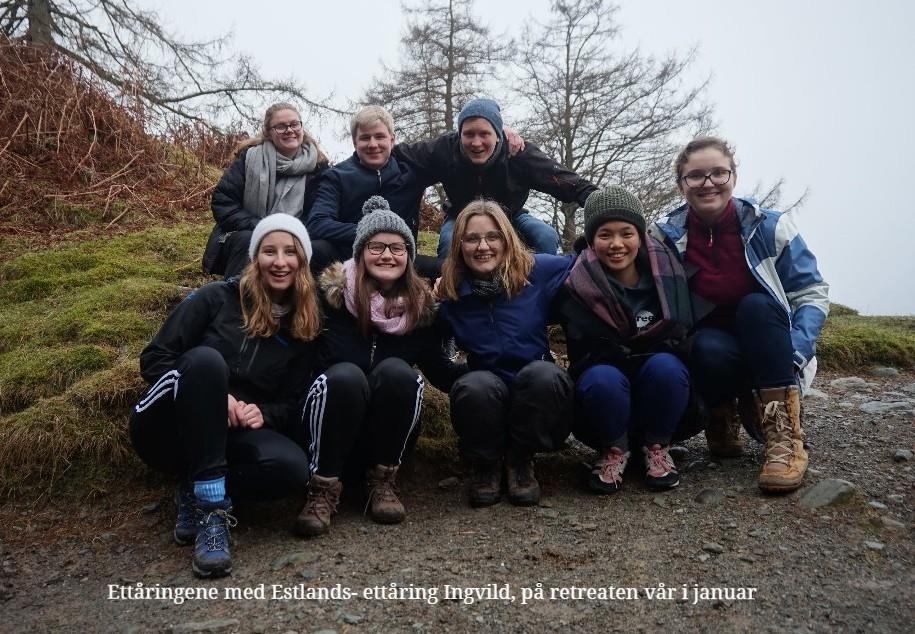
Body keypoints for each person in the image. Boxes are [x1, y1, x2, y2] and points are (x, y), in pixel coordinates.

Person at [131, 215, 321, 578]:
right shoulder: (215, 297)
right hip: (168, 426)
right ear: (255, 257)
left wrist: (261, 413)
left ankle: (196, 487)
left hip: (233, 435)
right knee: (205, 362)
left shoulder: (303, 324)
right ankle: (211, 512)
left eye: (290, 252)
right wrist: (212, 395)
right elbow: (155, 358)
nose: (279, 262)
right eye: (269, 251)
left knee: (292, 470)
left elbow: (293, 402)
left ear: (302, 262)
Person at [650, 136, 829, 492]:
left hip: (772, 342)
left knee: (757, 306)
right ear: (681, 183)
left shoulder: (771, 227)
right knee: (704, 345)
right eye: (696, 176)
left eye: (719, 173)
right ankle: (722, 413)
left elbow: (811, 292)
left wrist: (796, 349)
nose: (708, 183)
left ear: (733, 175)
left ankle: (784, 437)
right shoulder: (664, 236)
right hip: (714, 350)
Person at [295, 197, 459, 536]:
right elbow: (296, 361)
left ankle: (383, 482)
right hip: (327, 431)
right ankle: (322, 488)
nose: (387, 255)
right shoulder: (328, 300)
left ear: (409, 257)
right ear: (360, 253)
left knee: (400, 373)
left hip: (385, 439)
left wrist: (495, 376)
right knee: (345, 376)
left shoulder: (421, 311)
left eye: (397, 248)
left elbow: (442, 372)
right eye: (377, 247)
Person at [437, 200, 574, 508]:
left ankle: (521, 459)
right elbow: (429, 342)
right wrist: (452, 379)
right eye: (472, 239)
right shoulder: (452, 292)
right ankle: (486, 462)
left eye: (493, 237)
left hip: (536, 388)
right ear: (459, 244)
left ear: (507, 239)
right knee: (473, 386)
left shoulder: (537, 270)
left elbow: (586, 261)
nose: (483, 246)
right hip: (487, 392)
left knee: (542, 376)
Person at [556, 186, 694, 494]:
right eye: (605, 235)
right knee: (601, 378)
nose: (616, 244)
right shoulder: (574, 285)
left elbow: (681, 339)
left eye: (626, 233)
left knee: (667, 367)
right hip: (604, 388)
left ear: (640, 236)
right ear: (591, 240)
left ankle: (657, 446)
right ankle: (613, 449)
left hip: (658, 383)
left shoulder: (670, 275)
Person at [306, 105, 524, 277]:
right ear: (354, 142)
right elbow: (317, 223)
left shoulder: (412, 171)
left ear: (392, 139)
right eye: (365, 138)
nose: (373, 144)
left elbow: (458, 150)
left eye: (380, 137)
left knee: (452, 268)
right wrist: (372, 233)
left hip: (400, 257)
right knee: (316, 250)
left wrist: (497, 131)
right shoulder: (336, 176)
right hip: (349, 255)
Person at [394, 98, 598, 258]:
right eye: (469, 134)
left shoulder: (518, 154)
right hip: (460, 215)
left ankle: (539, 294)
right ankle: (452, 298)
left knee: (546, 236)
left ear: (499, 134)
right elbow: (400, 154)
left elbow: (565, 182)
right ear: (459, 134)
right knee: (448, 243)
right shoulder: (444, 149)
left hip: (511, 215)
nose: (476, 142)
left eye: (484, 134)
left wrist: (604, 205)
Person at [204, 102, 329, 278]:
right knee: (247, 241)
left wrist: (291, 233)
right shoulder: (249, 159)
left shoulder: (319, 168)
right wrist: (262, 228)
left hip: (299, 234)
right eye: (280, 126)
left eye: (294, 124)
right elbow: (224, 203)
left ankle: (307, 302)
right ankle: (237, 299)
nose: (289, 130)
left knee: (322, 248)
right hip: (250, 231)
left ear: (301, 126)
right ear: (268, 132)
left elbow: (321, 213)